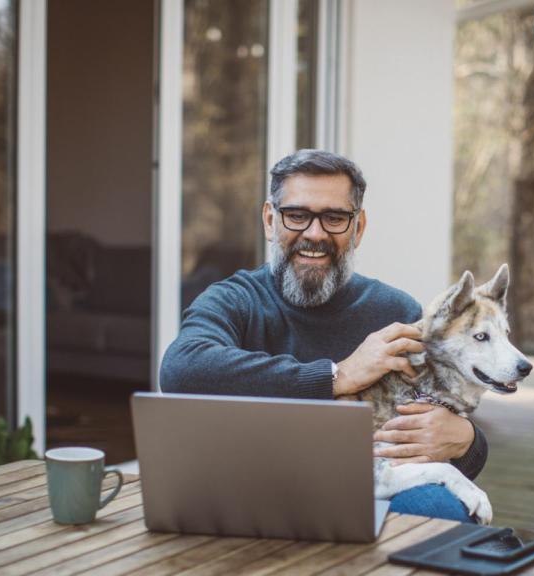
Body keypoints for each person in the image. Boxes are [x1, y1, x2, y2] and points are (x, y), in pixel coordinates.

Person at [160, 149, 488, 522]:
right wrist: (339, 375)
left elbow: (439, 426)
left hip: (364, 489)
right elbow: (181, 369)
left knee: (440, 510)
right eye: (296, 215)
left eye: (334, 218)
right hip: (251, 485)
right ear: (270, 221)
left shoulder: (397, 313)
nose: (314, 234)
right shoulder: (235, 300)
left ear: (358, 228)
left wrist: (467, 440)